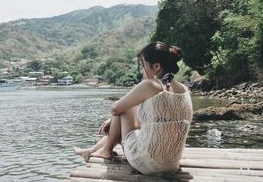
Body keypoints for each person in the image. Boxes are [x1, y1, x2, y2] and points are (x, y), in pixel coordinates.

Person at [74, 41, 193, 175]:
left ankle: (105, 151)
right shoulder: (184, 89)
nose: (142, 70)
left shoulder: (150, 85)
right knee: (127, 110)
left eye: (143, 65)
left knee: (123, 110)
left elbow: (115, 109)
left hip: (147, 163)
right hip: (171, 164)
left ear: (156, 66)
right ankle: (92, 150)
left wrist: (113, 120)